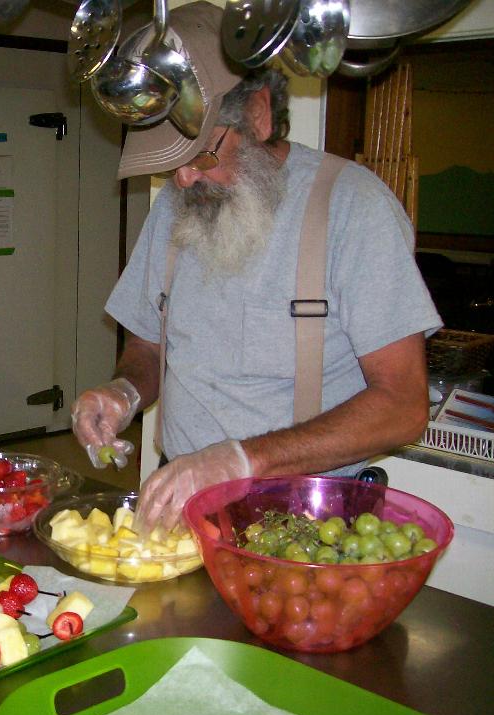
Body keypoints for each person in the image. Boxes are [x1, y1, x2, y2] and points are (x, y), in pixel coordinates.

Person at [71, 1, 441, 533]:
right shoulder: (177, 208)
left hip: (306, 522)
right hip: (183, 504)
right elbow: (148, 345)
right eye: (169, 166)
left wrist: (243, 459)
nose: (182, 183)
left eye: (198, 157)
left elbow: (403, 405)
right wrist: (124, 391)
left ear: (259, 114)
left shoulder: (353, 209)